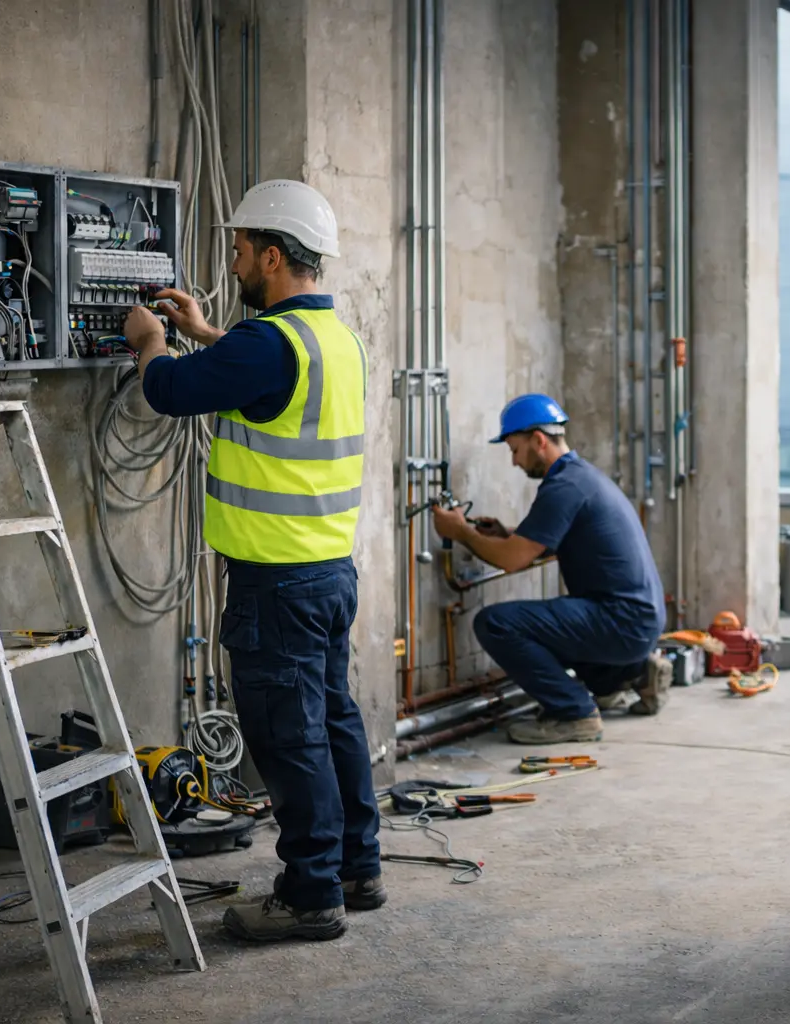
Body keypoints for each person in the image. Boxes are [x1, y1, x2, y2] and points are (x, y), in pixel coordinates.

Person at [122, 179, 382, 943]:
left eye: (237, 249)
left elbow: (169, 391)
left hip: (275, 584)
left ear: (271, 255)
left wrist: (150, 342)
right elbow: (254, 374)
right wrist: (203, 331)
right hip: (329, 571)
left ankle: (309, 895)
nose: (230, 261)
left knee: (287, 738)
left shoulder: (267, 343)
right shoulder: (334, 338)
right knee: (333, 720)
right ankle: (357, 869)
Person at [430, 394, 670, 743]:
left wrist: (461, 532)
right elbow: (542, 542)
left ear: (538, 440)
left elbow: (513, 559)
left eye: (515, 450)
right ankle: (632, 674)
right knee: (558, 625)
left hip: (622, 622)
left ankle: (574, 713)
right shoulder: (581, 476)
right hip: (640, 622)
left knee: (496, 624)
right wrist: (506, 534)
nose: (514, 462)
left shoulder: (563, 487)